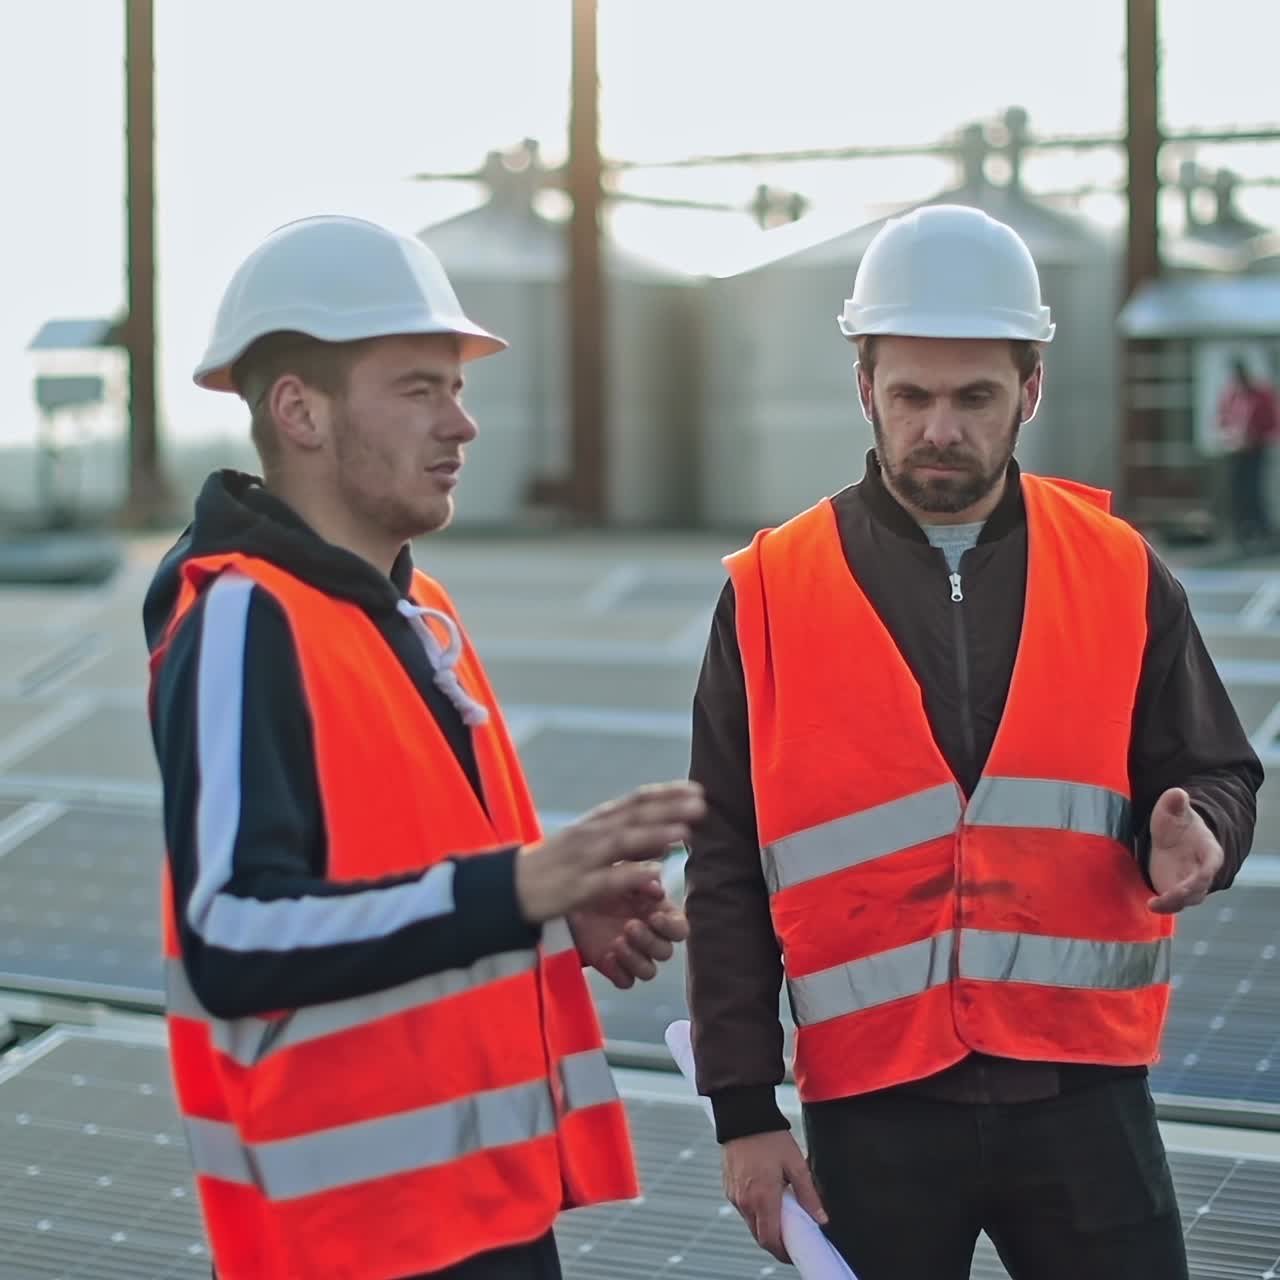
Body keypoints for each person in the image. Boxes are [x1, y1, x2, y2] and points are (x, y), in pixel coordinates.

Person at [684, 204, 1262, 1280]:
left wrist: (1206, 836)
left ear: (1028, 392)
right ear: (864, 388)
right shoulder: (766, 593)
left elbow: (1214, 767)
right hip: (872, 1111)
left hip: (1083, 1093)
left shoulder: (1119, 568)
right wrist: (741, 1106)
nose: (937, 428)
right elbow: (722, 862)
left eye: (972, 397)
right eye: (909, 395)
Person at [143, 214, 706, 1280]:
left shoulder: (417, 610)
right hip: (348, 1246)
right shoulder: (239, 618)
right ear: (297, 410)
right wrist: (515, 886)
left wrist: (550, 912)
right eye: (417, 388)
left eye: (457, 387)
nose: (462, 424)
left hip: (480, 1218)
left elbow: (411, 883)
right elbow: (231, 934)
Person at [1217, 356, 1279, 547]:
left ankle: (1260, 529)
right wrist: (1228, 435)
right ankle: (1240, 529)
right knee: (1237, 491)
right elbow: (1223, 418)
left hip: (1256, 449)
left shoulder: (1260, 395)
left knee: (1255, 490)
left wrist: (1255, 437)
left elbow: (1271, 422)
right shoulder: (1232, 395)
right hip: (1236, 449)